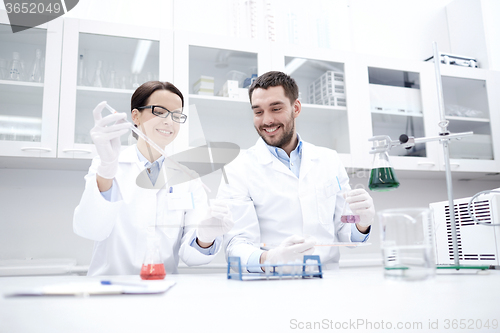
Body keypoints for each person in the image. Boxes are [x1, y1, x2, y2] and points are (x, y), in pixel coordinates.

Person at [218, 71, 375, 272]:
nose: (266, 120)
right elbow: (235, 244)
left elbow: (345, 230)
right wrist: (270, 259)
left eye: (276, 108)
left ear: (296, 108)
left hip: (326, 282)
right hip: (269, 284)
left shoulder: (329, 160)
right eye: (258, 112)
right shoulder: (237, 168)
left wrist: (362, 223)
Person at [73, 81, 233, 276]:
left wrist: (205, 236)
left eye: (176, 115)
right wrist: (107, 169)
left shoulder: (188, 178)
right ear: (135, 116)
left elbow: (192, 258)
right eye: (159, 111)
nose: (169, 121)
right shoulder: (107, 164)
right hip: (110, 289)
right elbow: (91, 229)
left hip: (162, 290)